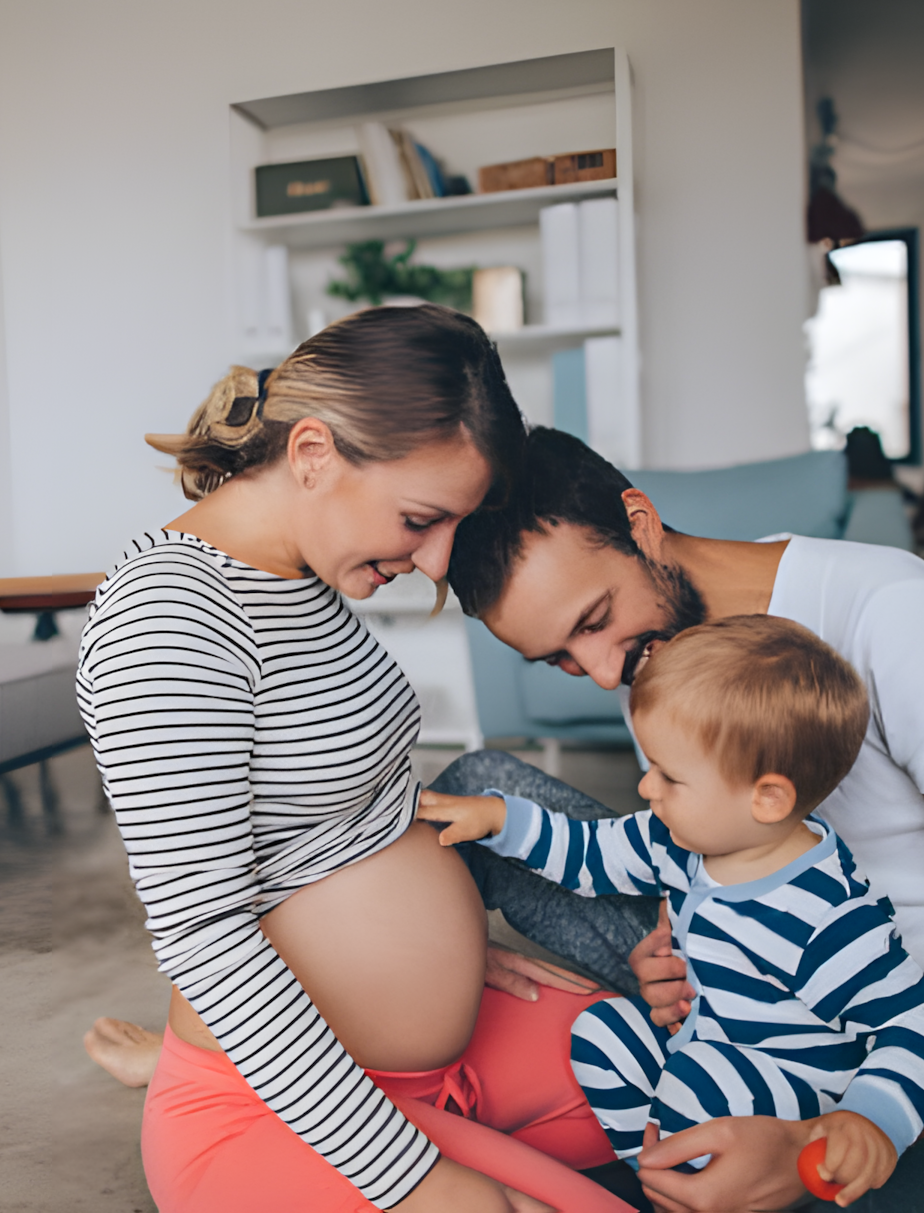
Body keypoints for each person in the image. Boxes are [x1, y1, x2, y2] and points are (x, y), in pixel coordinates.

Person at [86, 424, 924, 1211]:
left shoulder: (898, 621)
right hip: (747, 1004)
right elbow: (705, 841)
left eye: (593, 623)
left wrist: (818, 1144)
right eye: (562, 661)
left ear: (642, 524)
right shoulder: (657, 655)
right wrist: (684, 934)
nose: (607, 672)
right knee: (491, 785)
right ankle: (236, 1052)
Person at [77, 308, 634, 1213]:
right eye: (422, 520)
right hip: (276, 1104)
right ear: (311, 455)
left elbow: (341, 823)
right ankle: (186, 1085)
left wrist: (445, 951)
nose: (438, 561)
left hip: (423, 1053)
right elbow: (204, 937)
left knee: (686, 1087)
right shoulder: (169, 620)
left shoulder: (300, 572)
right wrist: (419, 1182)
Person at [420, 614, 924, 1210]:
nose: (647, 789)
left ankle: (691, 1177)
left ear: (768, 798)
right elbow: (590, 853)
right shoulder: (682, 838)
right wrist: (500, 820)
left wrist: (869, 1119)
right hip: (705, 1043)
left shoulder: (826, 916)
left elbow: (916, 1029)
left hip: (795, 1093)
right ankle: (662, 1182)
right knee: (601, 1034)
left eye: (669, 777)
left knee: (698, 1079)